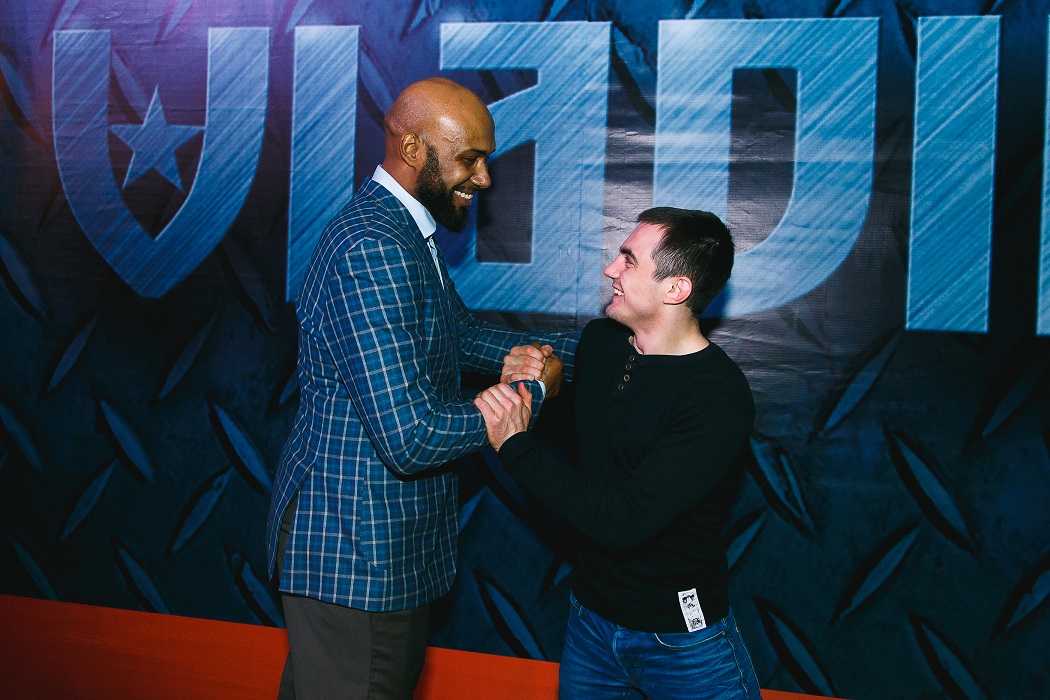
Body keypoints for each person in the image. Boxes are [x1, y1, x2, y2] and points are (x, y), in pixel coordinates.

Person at [265, 77, 577, 699]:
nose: (483, 178)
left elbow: (456, 335)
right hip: (357, 553)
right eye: (470, 159)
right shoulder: (374, 246)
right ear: (412, 149)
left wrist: (572, 354)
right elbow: (410, 436)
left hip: (371, 547)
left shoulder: (403, 230)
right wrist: (532, 396)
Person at [475, 207, 762, 700]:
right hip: (590, 624)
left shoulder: (716, 397)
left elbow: (621, 521)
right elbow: (590, 440)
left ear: (676, 289)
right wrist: (540, 390)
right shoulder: (602, 342)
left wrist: (515, 445)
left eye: (629, 260)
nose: (611, 269)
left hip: (679, 642)